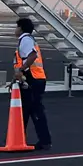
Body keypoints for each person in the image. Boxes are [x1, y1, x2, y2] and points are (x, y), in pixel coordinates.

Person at [14, 17, 52, 150]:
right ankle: (19, 138)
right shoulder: (28, 40)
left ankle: (44, 140)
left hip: (33, 79)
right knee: (25, 110)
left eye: (17, 27)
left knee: (35, 110)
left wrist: (21, 69)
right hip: (33, 78)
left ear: (21, 28)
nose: (15, 29)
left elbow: (32, 56)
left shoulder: (25, 40)